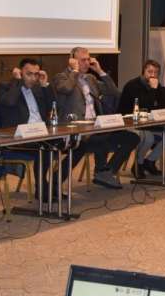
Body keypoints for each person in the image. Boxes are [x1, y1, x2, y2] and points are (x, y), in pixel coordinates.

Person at [53, 47, 140, 189]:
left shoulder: (91, 78)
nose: (87, 63)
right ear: (72, 61)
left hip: (95, 127)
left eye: (88, 59)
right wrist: (75, 71)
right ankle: (57, 181)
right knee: (98, 140)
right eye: (83, 60)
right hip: (75, 130)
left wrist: (100, 71)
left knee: (132, 138)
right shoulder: (61, 77)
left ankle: (106, 171)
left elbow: (114, 92)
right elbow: (66, 89)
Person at [0, 58, 55, 199]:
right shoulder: (4, 87)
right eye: (29, 74)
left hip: (41, 133)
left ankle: (54, 185)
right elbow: (9, 102)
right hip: (18, 137)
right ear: (20, 72)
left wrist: (45, 85)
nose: (33, 78)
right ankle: (43, 188)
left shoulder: (38, 88)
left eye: (36, 74)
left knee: (73, 144)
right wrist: (17, 81)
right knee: (46, 148)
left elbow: (53, 106)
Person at [118, 59, 165, 178]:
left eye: (156, 72)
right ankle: (138, 164)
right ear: (143, 72)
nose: (153, 75)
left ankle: (150, 161)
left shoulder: (156, 85)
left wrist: (156, 90)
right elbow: (144, 107)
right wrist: (153, 90)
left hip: (149, 123)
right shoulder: (132, 86)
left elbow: (162, 105)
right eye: (150, 72)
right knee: (148, 138)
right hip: (130, 123)